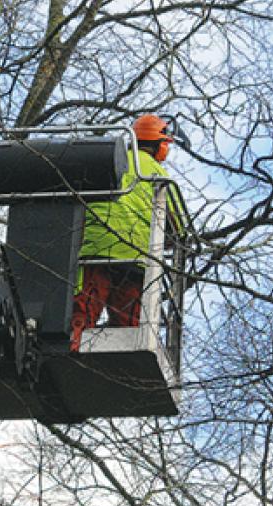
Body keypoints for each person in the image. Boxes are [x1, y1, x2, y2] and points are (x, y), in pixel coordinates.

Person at [70, 113, 186, 351]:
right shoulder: (160, 176)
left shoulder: (108, 161)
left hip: (96, 251)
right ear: (159, 144)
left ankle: (68, 351)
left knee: (82, 314)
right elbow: (180, 229)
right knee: (129, 330)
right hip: (136, 259)